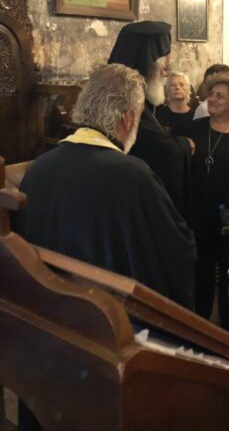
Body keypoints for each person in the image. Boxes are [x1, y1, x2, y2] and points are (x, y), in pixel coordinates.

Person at [16, 64, 196, 308]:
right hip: (106, 318)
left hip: (47, 310)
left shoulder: (39, 167)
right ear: (128, 118)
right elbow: (172, 251)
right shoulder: (133, 175)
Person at [108, 20, 193, 221]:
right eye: (163, 66)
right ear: (146, 64)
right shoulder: (126, 100)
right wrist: (184, 145)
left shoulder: (134, 93)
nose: (166, 73)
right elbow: (159, 150)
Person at [191, 71, 229, 332]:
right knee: (201, 272)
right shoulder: (197, 127)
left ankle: (228, 329)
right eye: (212, 94)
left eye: (220, 96)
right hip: (199, 214)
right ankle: (200, 326)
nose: (213, 100)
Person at [156, 71, 194, 138]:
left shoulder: (195, 116)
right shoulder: (160, 114)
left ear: (188, 89)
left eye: (182, 84)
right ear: (168, 90)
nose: (177, 87)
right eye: (173, 85)